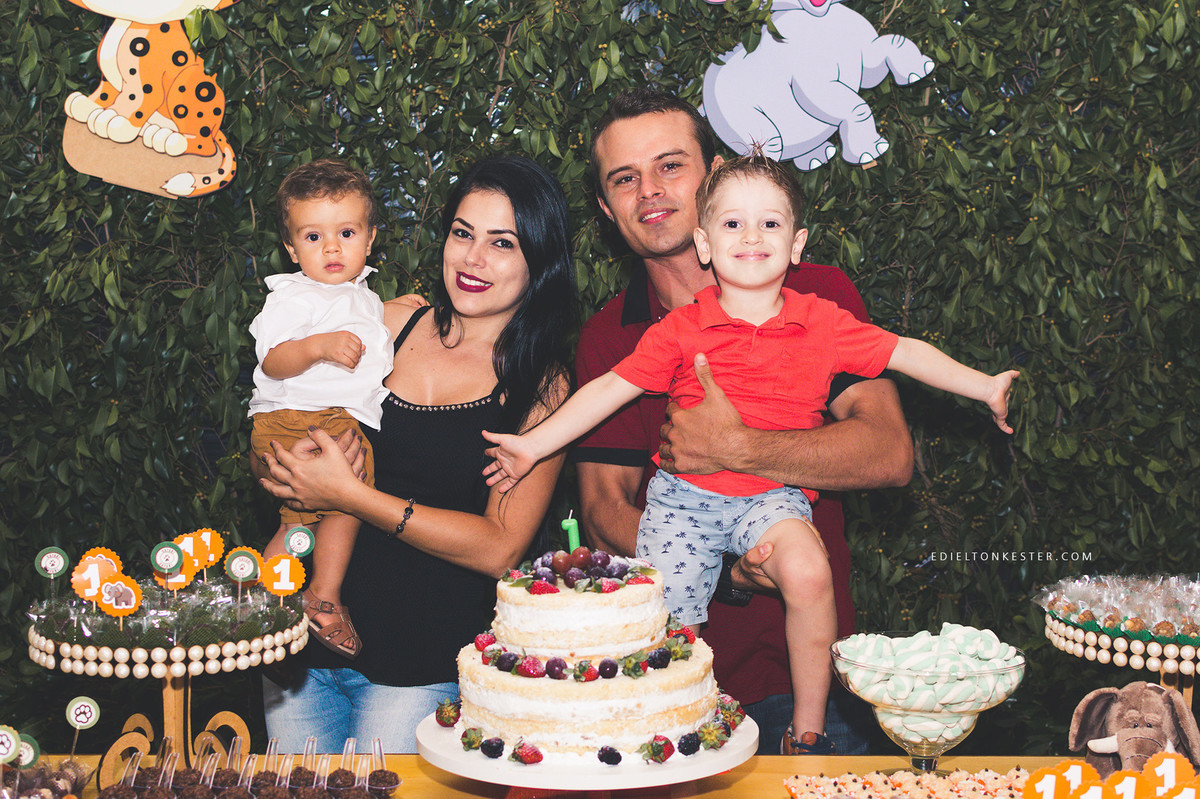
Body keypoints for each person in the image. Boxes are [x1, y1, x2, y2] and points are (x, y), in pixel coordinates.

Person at [483, 150, 1018, 754]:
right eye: (734, 223)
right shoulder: (680, 328)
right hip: (683, 503)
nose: (752, 236)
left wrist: (984, 386)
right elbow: (610, 389)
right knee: (671, 626)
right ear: (705, 244)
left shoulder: (824, 321)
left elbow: (906, 352)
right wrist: (532, 446)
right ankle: (671, 727)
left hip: (772, 500)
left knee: (809, 571)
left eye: (770, 223)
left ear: (797, 244)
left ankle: (808, 732)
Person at [571, 89, 914, 756]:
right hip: (676, 679)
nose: (650, 191)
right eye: (624, 178)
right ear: (607, 209)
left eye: (671, 166)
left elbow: (888, 451)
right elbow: (601, 508)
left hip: (812, 680)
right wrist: (726, 568)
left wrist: (740, 446)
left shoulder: (816, 294)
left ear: (715, 173)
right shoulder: (609, 336)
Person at [254, 154, 577, 753]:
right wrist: (281, 470)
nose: (473, 259)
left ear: (540, 258)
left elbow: (500, 548)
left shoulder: (544, 387)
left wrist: (352, 496)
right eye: (462, 233)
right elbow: (282, 411)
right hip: (298, 648)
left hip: (420, 665)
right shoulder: (385, 322)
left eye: (502, 243)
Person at [248, 158, 392, 660]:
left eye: (346, 233)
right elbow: (274, 360)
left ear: (370, 239)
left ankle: (265, 596)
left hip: (323, 418)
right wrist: (317, 347)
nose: (331, 248)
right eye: (313, 237)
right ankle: (319, 596)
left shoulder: (362, 296)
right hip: (301, 416)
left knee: (306, 520)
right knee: (347, 500)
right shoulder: (295, 297)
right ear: (292, 249)